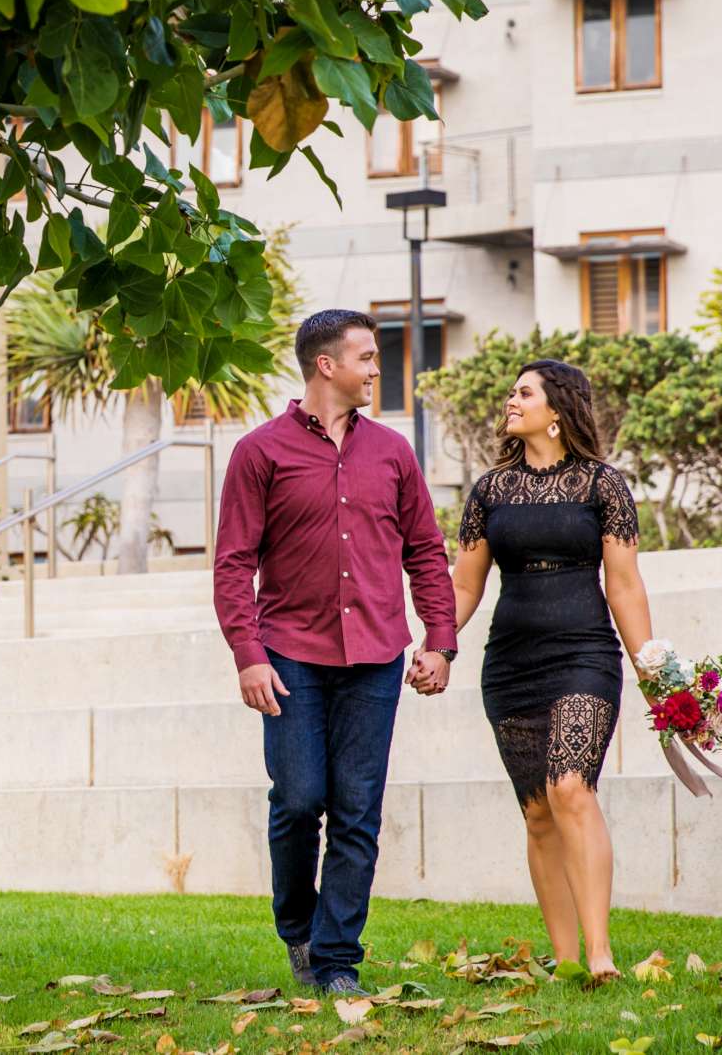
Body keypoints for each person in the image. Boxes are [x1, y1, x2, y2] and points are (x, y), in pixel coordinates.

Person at [213, 309, 459, 995]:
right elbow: (233, 563)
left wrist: (440, 639)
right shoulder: (260, 452)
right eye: (367, 357)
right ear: (327, 364)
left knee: (357, 809)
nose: (377, 369)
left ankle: (337, 960)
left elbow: (425, 552)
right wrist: (248, 653)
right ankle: (298, 925)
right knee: (299, 799)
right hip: (289, 653)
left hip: (376, 656)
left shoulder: (393, 453)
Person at [421, 359, 654, 982]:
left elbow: (625, 585)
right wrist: (439, 644)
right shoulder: (490, 490)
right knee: (537, 812)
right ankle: (568, 959)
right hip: (511, 665)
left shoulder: (602, 485)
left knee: (570, 788)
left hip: (584, 654)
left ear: (558, 410)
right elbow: (464, 585)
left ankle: (601, 953)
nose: (510, 400)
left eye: (524, 393)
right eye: (512, 392)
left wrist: (654, 668)